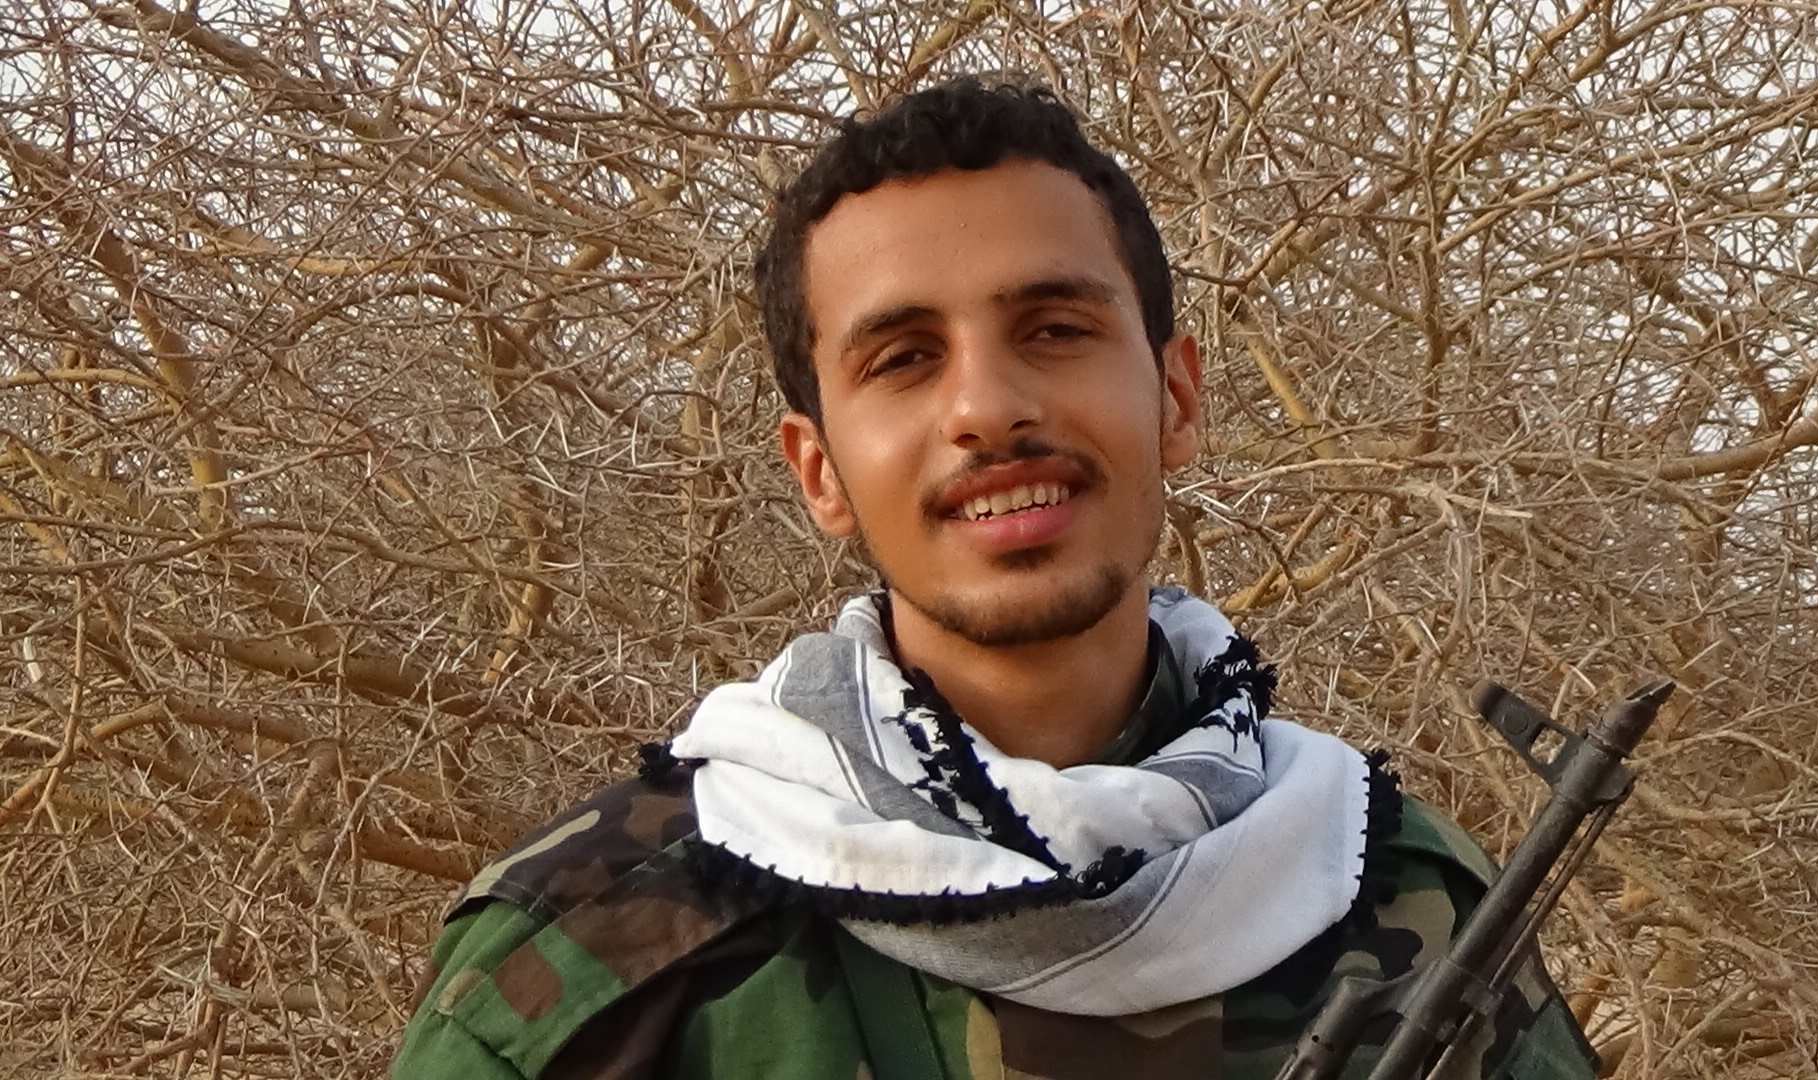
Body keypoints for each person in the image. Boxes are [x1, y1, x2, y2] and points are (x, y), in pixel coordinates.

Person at [390, 77, 1598, 1080]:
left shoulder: (1397, 889)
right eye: (904, 359)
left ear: (1176, 400)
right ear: (819, 471)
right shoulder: (595, 950)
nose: (989, 407)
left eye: (1056, 330)